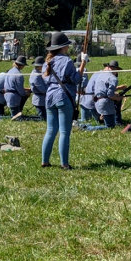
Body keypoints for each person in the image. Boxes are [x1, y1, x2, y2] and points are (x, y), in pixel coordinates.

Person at [41, 35, 82, 170]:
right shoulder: (67, 61)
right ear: (63, 47)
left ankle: (45, 161)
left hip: (50, 96)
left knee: (50, 130)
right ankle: (64, 163)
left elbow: (46, 79)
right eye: (67, 45)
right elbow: (76, 79)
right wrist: (83, 65)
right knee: (64, 132)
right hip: (64, 97)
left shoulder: (47, 62)